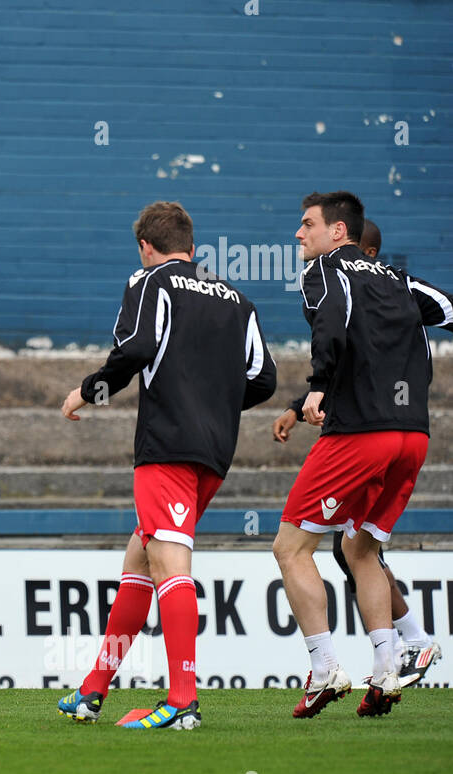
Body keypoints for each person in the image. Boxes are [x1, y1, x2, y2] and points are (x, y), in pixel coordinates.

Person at [57, 201, 277, 729]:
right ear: (193, 247)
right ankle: (92, 691)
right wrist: (214, 404)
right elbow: (263, 379)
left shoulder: (149, 281)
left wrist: (88, 392)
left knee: (172, 567)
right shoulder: (238, 300)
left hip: (167, 447)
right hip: (214, 452)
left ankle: (183, 700)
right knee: (141, 560)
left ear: (146, 247)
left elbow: (135, 349)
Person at [272, 192, 451, 717]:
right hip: (412, 436)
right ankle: (388, 668)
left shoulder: (326, 271)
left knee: (290, 547)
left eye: (307, 225)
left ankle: (325, 668)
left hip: (360, 437)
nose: (299, 235)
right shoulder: (398, 279)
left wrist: (318, 386)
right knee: (360, 550)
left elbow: (331, 328)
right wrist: (304, 400)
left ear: (338, 232)